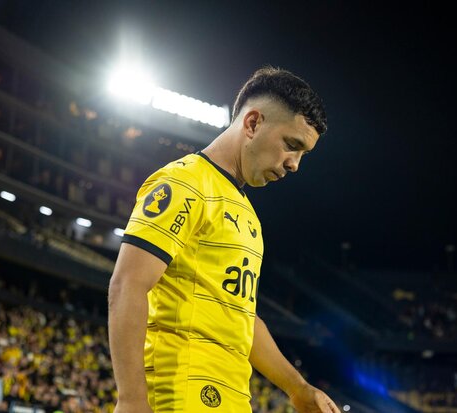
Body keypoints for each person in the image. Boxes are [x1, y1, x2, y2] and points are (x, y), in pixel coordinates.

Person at [109, 66, 339, 413]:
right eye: (291, 145)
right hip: (180, 393)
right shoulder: (184, 183)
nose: (294, 164)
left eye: (303, 154)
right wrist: (131, 400)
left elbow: (243, 318)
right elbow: (128, 284)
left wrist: (298, 388)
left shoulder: (247, 215)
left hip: (232, 399)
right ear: (253, 123)